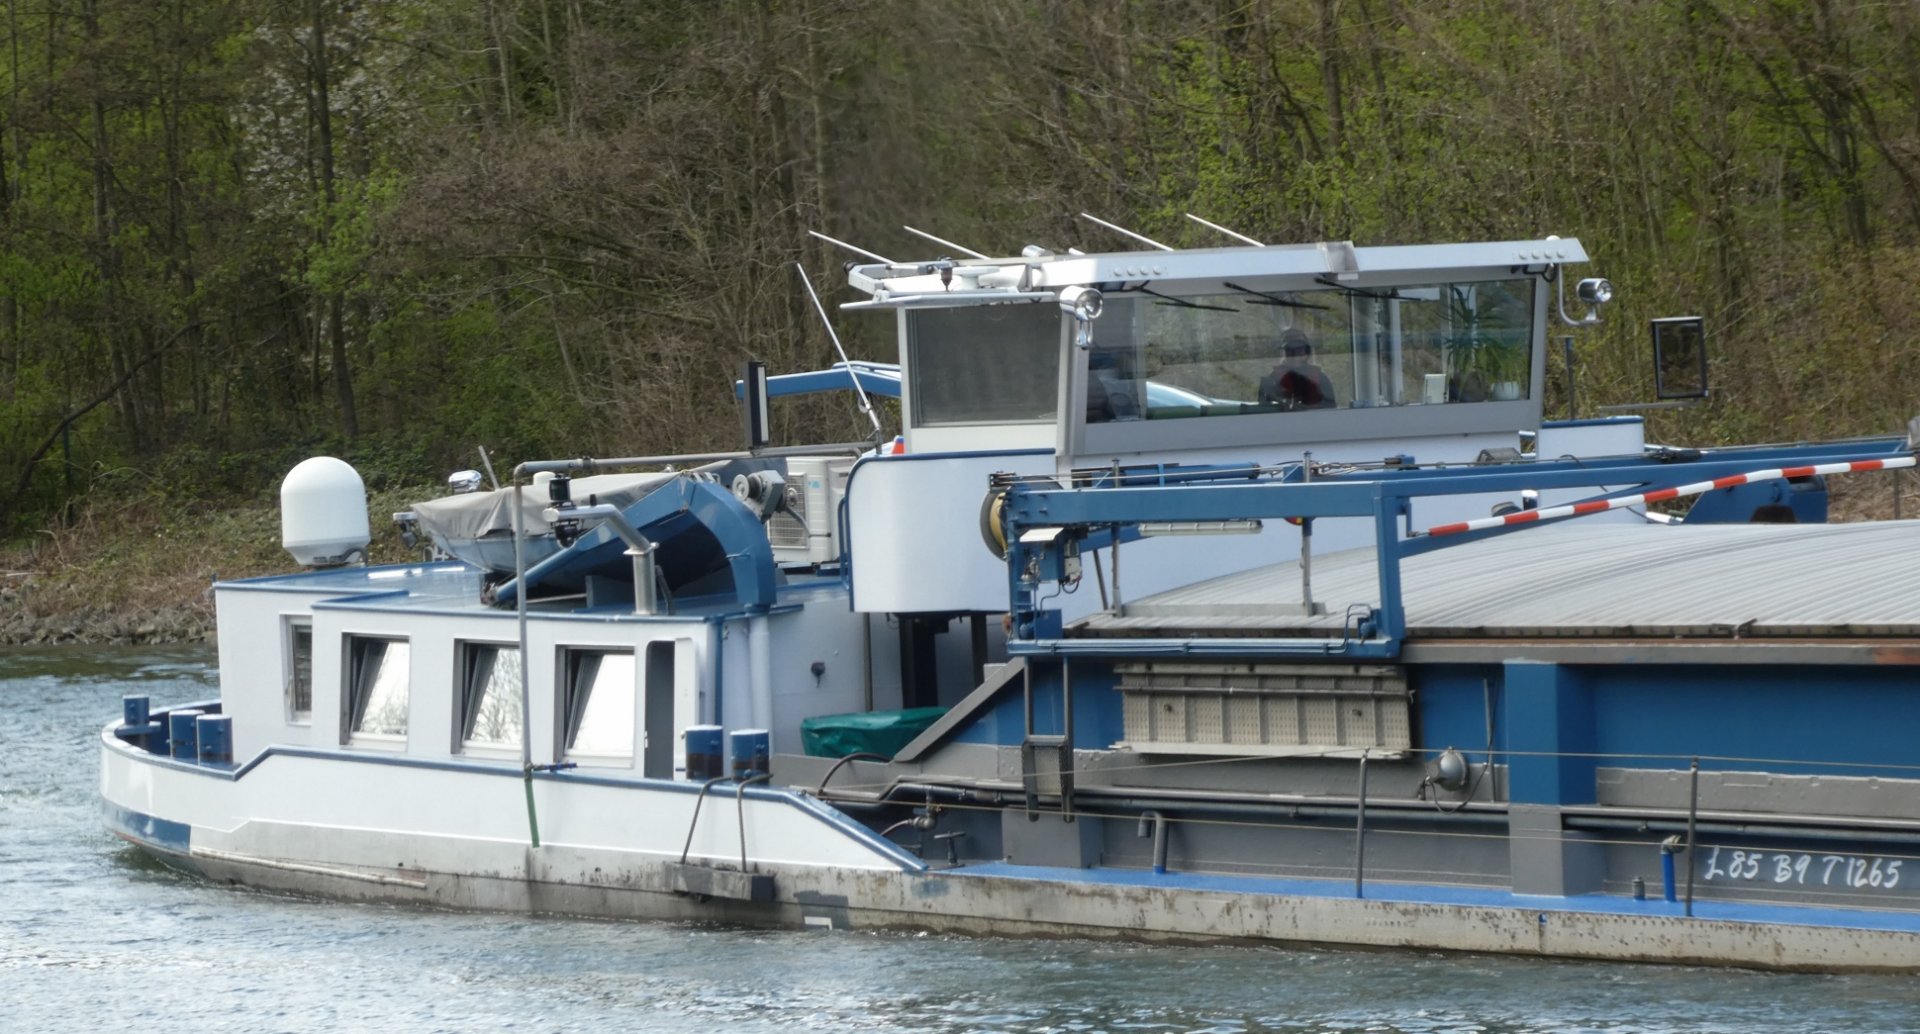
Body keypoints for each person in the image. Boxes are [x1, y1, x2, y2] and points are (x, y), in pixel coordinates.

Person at [1258, 328, 1336, 409]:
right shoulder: (1271, 381)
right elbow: (1263, 410)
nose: (1295, 355)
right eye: (1289, 350)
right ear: (1282, 353)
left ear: (1307, 352)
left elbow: (1330, 409)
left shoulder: (1321, 379)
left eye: (1300, 350)